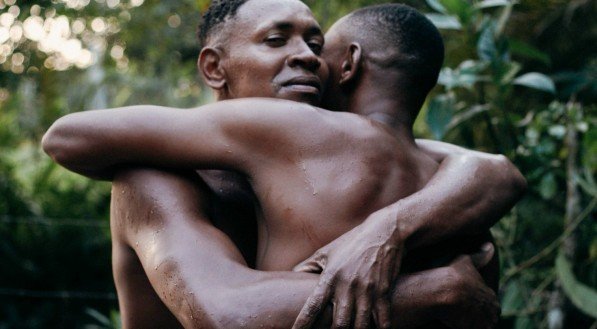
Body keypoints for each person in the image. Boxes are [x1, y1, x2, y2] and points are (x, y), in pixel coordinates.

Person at [43, 1, 525, 328]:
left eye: (317, 46)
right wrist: (437, 291)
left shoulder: (343, 161)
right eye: (276, 40)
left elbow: (491, 169)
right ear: (215, 68)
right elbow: (230, 313)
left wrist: (387, 229)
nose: (309, 58)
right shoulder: (153, 179)